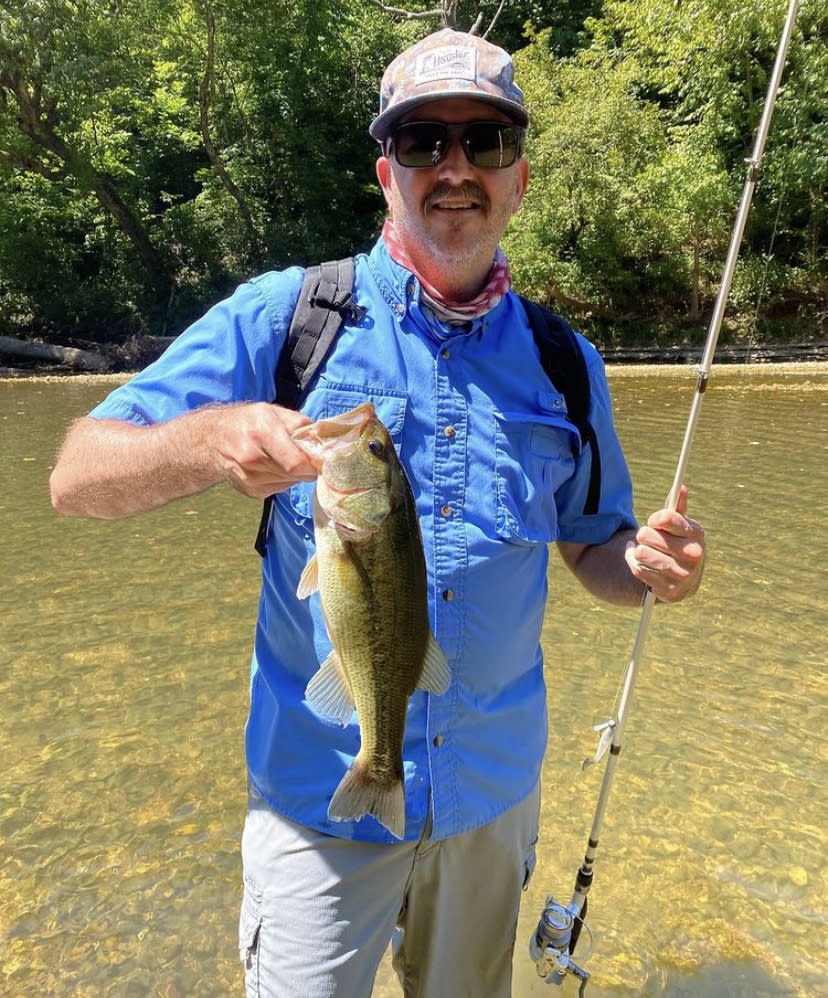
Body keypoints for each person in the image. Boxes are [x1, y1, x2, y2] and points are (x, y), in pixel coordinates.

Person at [49, 28, 705, 998]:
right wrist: (207, 438)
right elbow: (76, 476)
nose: (453, 167)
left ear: (518, 177)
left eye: (483, 142)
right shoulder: (287, 317)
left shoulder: (567, 362)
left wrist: (647, 565)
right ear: (383, 171)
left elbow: (591, 546)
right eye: (421, 141)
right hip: (318, 805)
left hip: (490, 800)